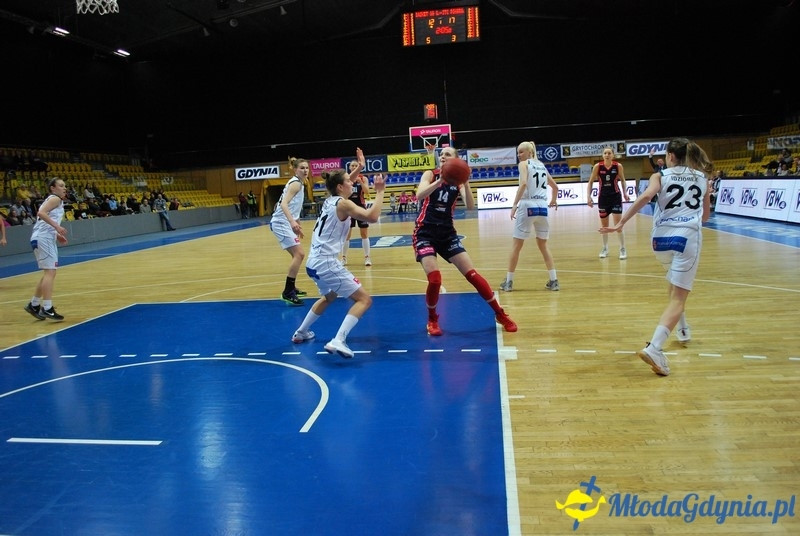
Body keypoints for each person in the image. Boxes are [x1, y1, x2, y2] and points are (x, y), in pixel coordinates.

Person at [599, 137, 712, 376]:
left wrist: (621, 224)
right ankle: (656, 347)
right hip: (686, 239)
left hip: (660, 241)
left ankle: (682, 329)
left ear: (670, 156)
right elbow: (704, 218)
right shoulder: (702, 178)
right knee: (679, 296)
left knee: (673, 287)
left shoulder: (660, 176)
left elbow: (644, 198)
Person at [291, 148, 385, 358]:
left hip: (313, 262)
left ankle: (301, 332)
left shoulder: (330, 199)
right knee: (364, 300)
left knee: (329, 296)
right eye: (350, 182)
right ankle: (338, 340)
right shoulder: (344, 203)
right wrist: (380, 191)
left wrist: (359, 167)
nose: (353, 183)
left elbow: (343, 184)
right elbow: (372, 216)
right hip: (326, 263)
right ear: (341, 186)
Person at [413, 146, 517, 335]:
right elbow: (419, 195)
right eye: (442, 155)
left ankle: (500, 314)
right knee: (435, 279)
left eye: (448, 155)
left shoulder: (458, 181)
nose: (443, 157)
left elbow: (470, 206)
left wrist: (466, 182)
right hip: (425, 232)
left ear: (456, 161)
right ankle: (432, 319)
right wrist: (440, 181)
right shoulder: (430, 174)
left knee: (472, 275)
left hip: (447, 234)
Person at [499, 141, 560, 292]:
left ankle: (508, 282)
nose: (519, 155)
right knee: (543, 245)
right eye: (518, 152)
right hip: (543, 208)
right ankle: (554, 280)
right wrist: (553, 200)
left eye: (521, 152)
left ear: (529, 152)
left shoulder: (524, 164)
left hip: (528, 205)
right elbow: (556, 187)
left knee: (516, 246)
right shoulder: (542, 165)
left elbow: (524, 184)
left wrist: (514, 205)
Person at [24, 177, 69, 321]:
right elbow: (41, 213)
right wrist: (57, 227)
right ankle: (48, 308)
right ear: (53, 188)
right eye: (61, 186)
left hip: (43, 237)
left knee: (47, 273)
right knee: (50, 272)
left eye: (65, 186)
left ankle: (34, 304)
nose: (64, 188)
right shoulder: (55, 199)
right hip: (43, 239)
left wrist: (56, 234)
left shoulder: (55, 200)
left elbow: (44, 220)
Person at [270, 157, 311, 305]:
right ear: (295, 169)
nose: (305, 170)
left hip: (286, 222)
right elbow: (284, 205)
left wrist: (297, 224)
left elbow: (295, 209)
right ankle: (288, 291)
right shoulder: (295, 184)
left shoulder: (300, 183)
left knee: (297, 255)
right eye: (302, 168)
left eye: (307, 168)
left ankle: (291, 287)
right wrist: (292, 222)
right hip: (281, 222)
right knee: (299, 254)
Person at [587, 146, 630, 259]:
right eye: (605, 153)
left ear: (613, 155)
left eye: (609, 153)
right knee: (604, 226)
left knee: (618, 225)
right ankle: (605, 248)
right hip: (603, 198)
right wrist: (588, 196)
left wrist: (625, 193)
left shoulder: (618, 166)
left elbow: (623, 180)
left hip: (615, 197)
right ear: (602, 155)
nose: (607, 155)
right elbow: (590, 182)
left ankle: (622, 249)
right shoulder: (598, 166)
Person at [340, 159, 373, 267]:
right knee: (346, 235)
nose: (354, 167)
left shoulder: (364, 178)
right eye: (352, 165)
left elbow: (367, 192)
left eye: (356, 165)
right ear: (349, 168)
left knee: (364, 234)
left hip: (360, 208)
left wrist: (360, 182)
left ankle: (367, 257)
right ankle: (344, 258)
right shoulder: (346, 178)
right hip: (348, 208)